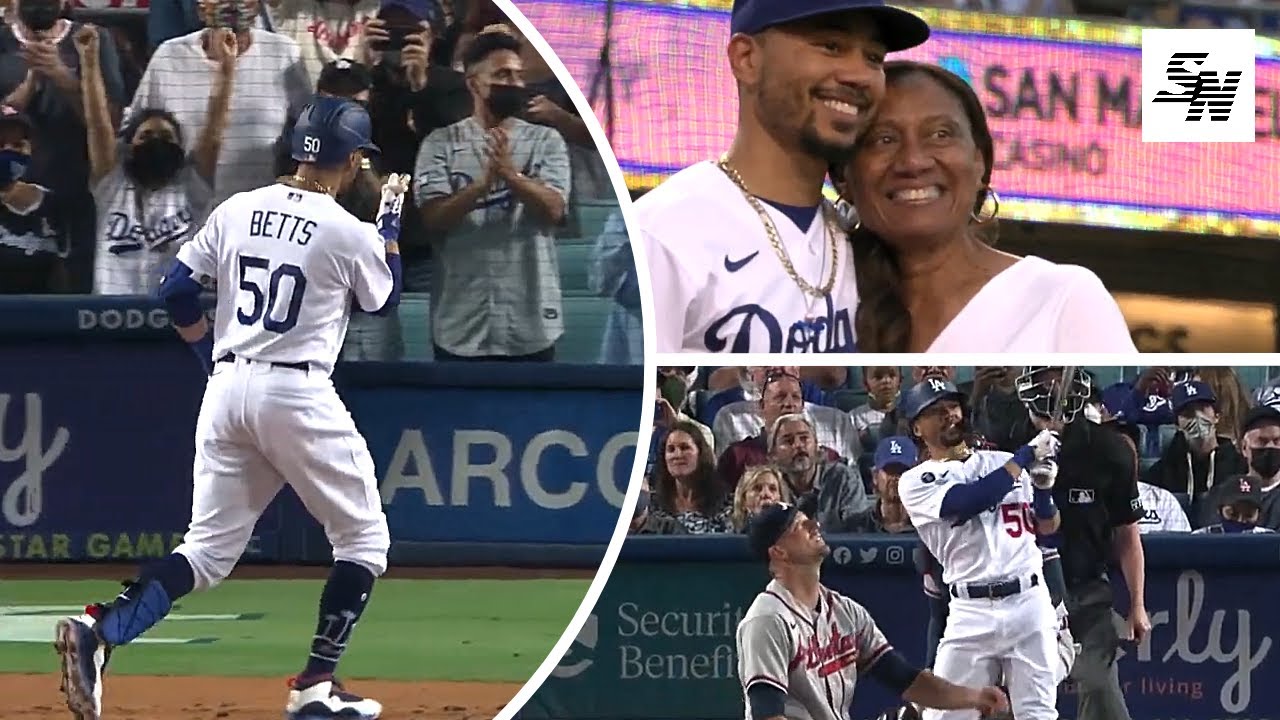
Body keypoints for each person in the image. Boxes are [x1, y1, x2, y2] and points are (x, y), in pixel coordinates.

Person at [53, 96, 402, 720]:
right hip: (297, 390)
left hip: (227, 386)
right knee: (363, 539)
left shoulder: (238, 207)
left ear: (299, 148)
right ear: (352, 160)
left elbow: (176, 290)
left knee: (208, 549)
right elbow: (386, 299)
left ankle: (99, 630)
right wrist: (392, 226)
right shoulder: (348, 229)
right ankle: (314, 688)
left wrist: (208, 357)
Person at [636, 0, 930, 353]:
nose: (859, 75)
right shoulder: (663, 233)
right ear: (747, 59)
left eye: (873, 58)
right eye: (831, 46)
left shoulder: (866, 242)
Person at [839, 61, 1136, 352]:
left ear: (979, 161)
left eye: (940, 135)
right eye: (884, 139)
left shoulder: (1063, 297)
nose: (913, 161)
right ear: (844, 179)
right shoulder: (821, 299)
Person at [735, 502, 1010, 720]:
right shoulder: (768, 619)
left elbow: (904, 679)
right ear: (779, 552)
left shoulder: (844, 612)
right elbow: (768, 715)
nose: (812, 524)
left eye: (807, 517)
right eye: (797, 525)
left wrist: (974, 697)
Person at [895, 378, 1065, 720]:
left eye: (952, 407)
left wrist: (1044, 488)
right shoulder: (915, 481)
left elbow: (1048, 528)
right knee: (943, 715)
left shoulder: (1000, 461)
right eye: (936, 411)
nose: (949, 416)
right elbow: (968, 501)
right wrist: (1027, 455)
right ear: (917, 427)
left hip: (1028, 602)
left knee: (1038, 714)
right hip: (970, 611)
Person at [1013, 366, 1148, 720]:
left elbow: (1128, 534)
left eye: (1063, 375)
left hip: (1086, 589)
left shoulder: (1110, 450)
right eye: (1048, 377)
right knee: (1010, 695)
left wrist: (1137, 604)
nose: (1057, 385)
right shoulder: (1001, 439)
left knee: (1100, 687)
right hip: (1020, 592)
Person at [1192, 474, 1277, 534]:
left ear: (1259, 514)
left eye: (1248, 515)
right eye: (1232, 514)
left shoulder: (1272, 541)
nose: (1240, 520)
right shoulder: (1199, 538)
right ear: (1219, 510)